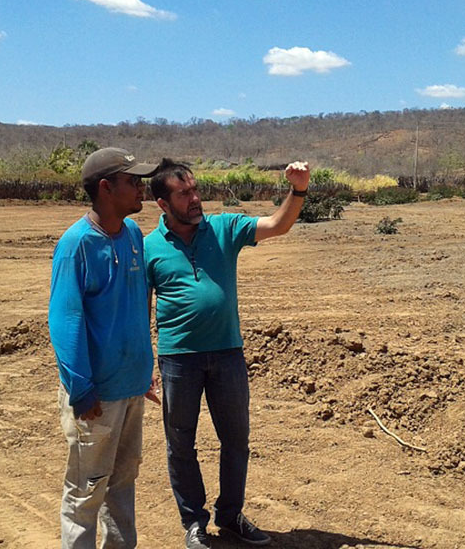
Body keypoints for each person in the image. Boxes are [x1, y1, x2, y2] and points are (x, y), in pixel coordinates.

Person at [145, 158, 311, 549]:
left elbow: (278, 224)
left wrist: (298, 189)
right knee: (181, 443)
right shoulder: (148, 247)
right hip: (177, 359)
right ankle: (194, 521)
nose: (195, 198)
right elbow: (141, 309)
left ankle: (231, 515)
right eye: (184, 193)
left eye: (196, 189)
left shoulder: (223, 227)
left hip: (227, 354)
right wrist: (140, 364)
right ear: (163, 204)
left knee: (236, 439)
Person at [49, 147, 160, 549]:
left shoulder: (132, 235)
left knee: (123, 480)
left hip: (130, 388)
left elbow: (135, 304)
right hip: (96, 396)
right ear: (105, 188)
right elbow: (65, 321)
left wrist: (142, 368)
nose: (141, 189)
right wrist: (81, 389)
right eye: (133, 181)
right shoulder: (76, 245)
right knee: (86, 490)